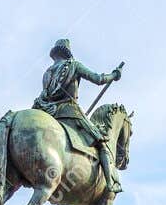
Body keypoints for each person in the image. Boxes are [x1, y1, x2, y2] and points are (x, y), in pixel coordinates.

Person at [35, 38, 125, 195]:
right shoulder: (73, 65)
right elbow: (98, 79)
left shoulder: (47, 73)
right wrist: (114, 75)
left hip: (50, 114)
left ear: (55, 54)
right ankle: (111, 183)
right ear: (67, 52)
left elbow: (47, 95)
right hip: (69, 112)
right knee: (102, 141)